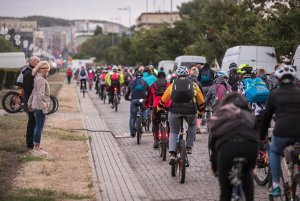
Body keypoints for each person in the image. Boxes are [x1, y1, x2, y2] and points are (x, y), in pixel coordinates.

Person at [208, 93, 259, 201]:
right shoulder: (249, 114)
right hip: (249, 147)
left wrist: (215, 166)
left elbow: (212, 145)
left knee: (225, 193)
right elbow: (256, 137)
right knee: (247, 173)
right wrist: (253, 164)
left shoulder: (220, 115)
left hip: (227, 149)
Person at [259, 64, 300, 197]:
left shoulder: (274, 94)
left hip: (282, 132)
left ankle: (276, 184)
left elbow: (266, 117)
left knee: (274, 151)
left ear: (278, 79)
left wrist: (261, 135)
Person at [157, 66, 205, 164]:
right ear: (187, 75)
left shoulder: (172, 85)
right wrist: (200, 113)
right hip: (190, 110)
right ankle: (188, 147)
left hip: (175, 110)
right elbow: (201, 101)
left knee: (174, 131)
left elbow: (164, 98)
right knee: (192, 125)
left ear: (177, 75)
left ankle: (173, 154)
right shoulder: (193, 85)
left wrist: (159, 108)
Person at [27, 61, 51, 155]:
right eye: (43, 68)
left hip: (36, 105)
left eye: (46, 68)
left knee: (38, 126)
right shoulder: (40, 79)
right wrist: (44, 108)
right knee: (39, 127)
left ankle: (36, 146)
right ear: (39, 69)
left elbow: (33, 92)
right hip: (40, 106)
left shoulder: (37, 77)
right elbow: (41, 96)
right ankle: (36, 148)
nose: (45, 69)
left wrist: (29, 103)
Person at [146, 68, 171, 148]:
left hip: (157, 106)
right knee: (169, 123)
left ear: (157, 77)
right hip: (167, 106)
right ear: (165, 77)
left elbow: (149, 97)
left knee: (155, 123)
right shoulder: (169, 84)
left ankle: (156, 141)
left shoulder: (153, 85)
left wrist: (147, 106)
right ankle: (169, 141)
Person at [23, 56, 40, 149]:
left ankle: (31, 142)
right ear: (33, 62)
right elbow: (29, 91)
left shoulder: (31, 72)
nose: (39, 64)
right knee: (32, 123)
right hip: (31, 103)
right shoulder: (29, 74)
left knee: (33, 122)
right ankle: (30, 144)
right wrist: (30, 104)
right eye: (38, 62)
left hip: (32, 102)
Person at [125, 71, 149, 137]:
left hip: (134, 100)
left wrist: (126, 98)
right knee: (145, 109)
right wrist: (146, 98)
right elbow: (148, 91)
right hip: (142, 100)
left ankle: (132, 133)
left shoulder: (131, 83)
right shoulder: (145, 82)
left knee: (132, 117)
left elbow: (127, 93)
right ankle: (144, 119)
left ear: (135, 76)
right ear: (142, 76)